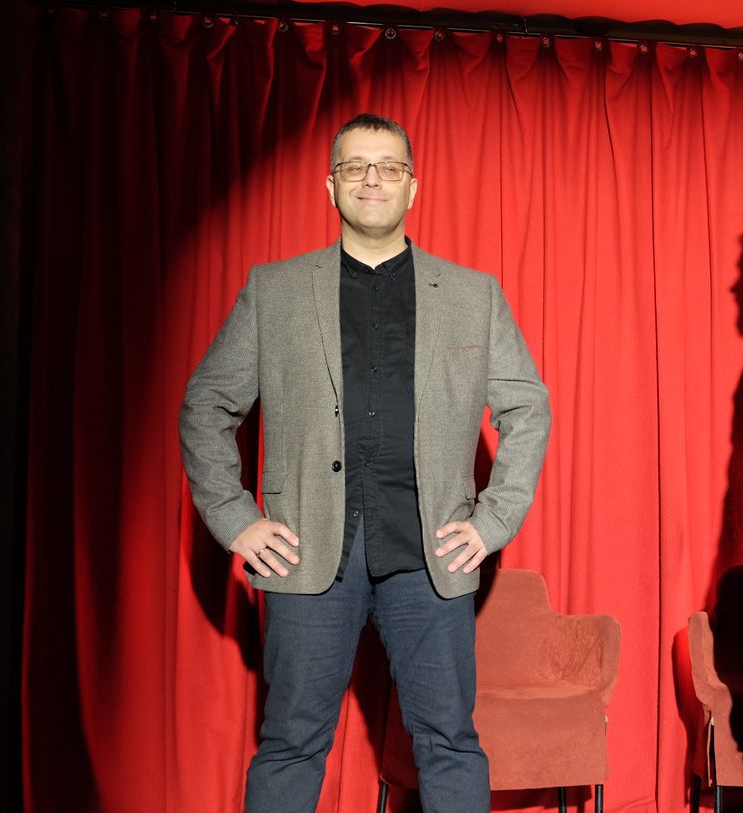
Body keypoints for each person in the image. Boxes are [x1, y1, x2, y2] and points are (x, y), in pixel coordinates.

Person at [179, 113, 551, 813]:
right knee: (290, 744)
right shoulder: (274, 291)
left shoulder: (473, 295)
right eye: (355, 166)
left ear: (414, 186)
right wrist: (236, 519)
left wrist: (493, 521)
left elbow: (528, 407)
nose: (372, 179)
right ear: (331, 186)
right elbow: (206, 404)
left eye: (389, 167)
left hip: (430, 556)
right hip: (305, 554)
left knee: (450, 742)